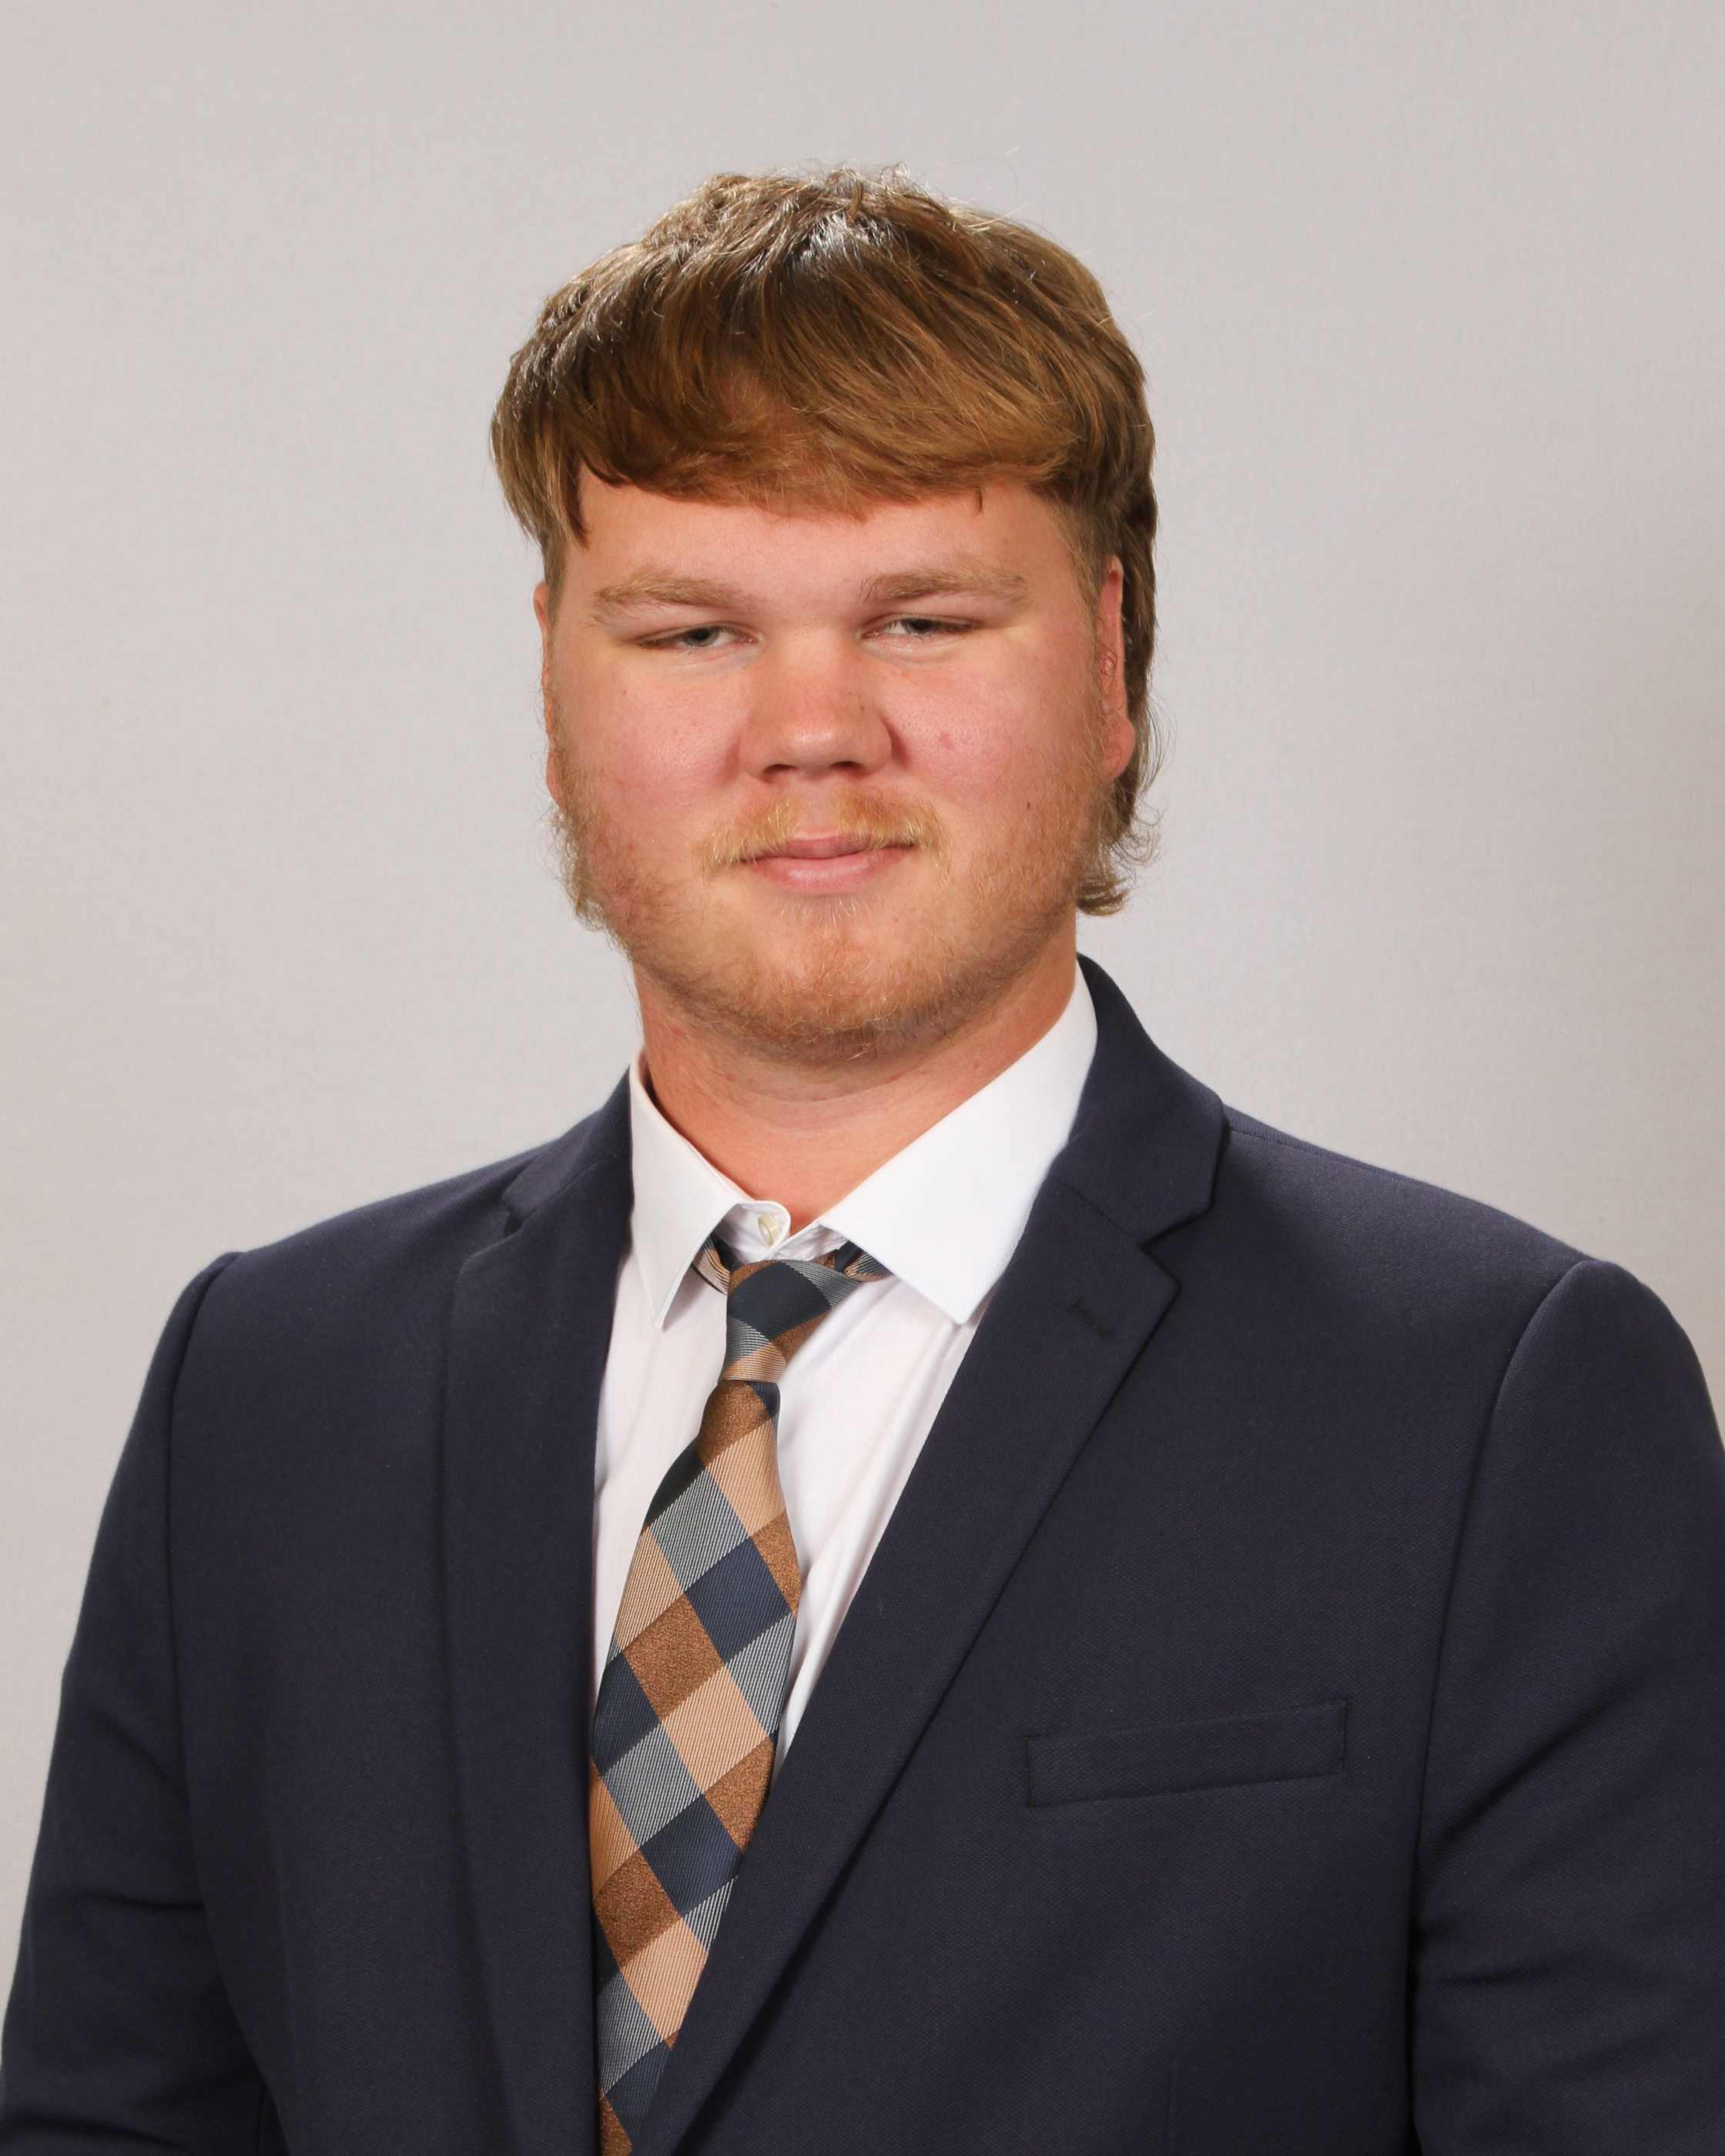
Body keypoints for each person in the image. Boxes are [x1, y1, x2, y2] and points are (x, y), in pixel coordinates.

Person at [2, 167, 1721, 2156]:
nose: (810, 732)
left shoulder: (1496, 1413)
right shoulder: (264, 1393)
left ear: (1112, 665)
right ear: (554, 689)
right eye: (693, 630)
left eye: (921, 619)